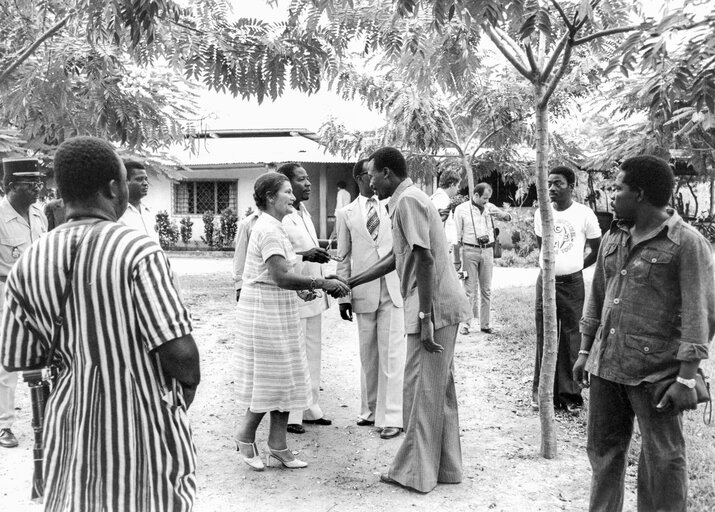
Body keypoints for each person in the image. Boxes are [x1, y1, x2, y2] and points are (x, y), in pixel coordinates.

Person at [0, 136, 201, 510]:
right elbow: (180, 352)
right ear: (113, 187)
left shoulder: (31, 259)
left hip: (70, 425)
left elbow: (21, 359)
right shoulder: (137, 249)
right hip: (142, 424)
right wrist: (180, 396)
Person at [574, 155, 715, 512]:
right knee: (604, 456)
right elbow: (598, 298)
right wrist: (584, 351)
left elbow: (701, 314)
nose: (611, 194)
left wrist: (685, 380)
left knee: (662, 462)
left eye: (617, 188)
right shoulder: (613, 236)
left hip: (657, 374)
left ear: (639, 194)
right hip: (607, 368)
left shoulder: (687, 243)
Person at [348, 147, 471, 493]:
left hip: (433, 307)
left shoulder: (407, 201)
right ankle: (445, 467)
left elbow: (425, 259)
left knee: (420, 390)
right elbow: (395, 257)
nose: (369, 182)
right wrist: (354, 280)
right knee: (438, 389)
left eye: (372, 174)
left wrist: (426, 316)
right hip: (436, 305)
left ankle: (414, 473)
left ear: (387, 173)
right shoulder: (407, 199)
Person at [234, 172, 349, 471]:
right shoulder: (268, 229)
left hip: (279, 308)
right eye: (287, 191)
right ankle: (244, 437)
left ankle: (278, 446)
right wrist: (321, 285)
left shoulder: (277, 226)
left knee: (286, 379)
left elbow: (283, 274)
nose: (293, 196)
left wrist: (306, 289)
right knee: (269, 381)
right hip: (264, 312)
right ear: (270, 197)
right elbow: (280, 276)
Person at [335, 159, 405, 440]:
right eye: (370, 174)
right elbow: (343, 256)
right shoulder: (346, 213)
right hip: (363, 290)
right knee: (368, 354)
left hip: (392, 287)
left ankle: (392, 417)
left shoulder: (393, 205)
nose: (374, 180)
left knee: (392, 353)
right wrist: (343, 296)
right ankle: (370, 410)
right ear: (360, 178)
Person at [531, 166, 601, 415]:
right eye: (549, 183)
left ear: (571, 186)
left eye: (558, 183)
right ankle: (541, 392)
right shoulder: (542, 212)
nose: (551, 188)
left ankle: (570, 395)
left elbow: (597, 247)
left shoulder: (584, 214)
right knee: (544, 335)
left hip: (572, 283)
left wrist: (577, 266)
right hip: (545, 282)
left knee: (571, 336)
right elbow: (542, 248)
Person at [277, 163, 334, 434]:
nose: (308, 183)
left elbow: (307, 248)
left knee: (312, 351)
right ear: (286, 186)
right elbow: (282, 257)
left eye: (308, 179)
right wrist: (306, 255)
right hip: (294, 292)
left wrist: (319, 255)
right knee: (295, 353)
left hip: (313, 292)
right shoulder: (281, 218)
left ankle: (310, 407)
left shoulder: (303, 213)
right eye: (301, 180)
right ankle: (292, 414)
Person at [0, 158, 48, 449]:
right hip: (4, 294)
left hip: (37, 296)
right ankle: (3, 424)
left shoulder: (39, 215)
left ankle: (43, 419)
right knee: (5, 362)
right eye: (29, 184)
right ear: (9, 186)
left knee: (42, 357)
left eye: (37, 183)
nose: (36, 189)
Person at [453, 182, 512, 334]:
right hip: (469, 251)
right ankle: (465, 325)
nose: (487, 201)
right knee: (469, 290)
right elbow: (456, 237)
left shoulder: (490, 207)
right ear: (476, 195)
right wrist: (457, 259)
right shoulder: (461, 209)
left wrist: (506, 215)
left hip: (487, 251)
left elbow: (506, 217)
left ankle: (485, 325)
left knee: (486, 290)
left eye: (488, 198)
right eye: (484, 198)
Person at [118, 157, 158, 242]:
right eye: (139, 179)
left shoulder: (149, 211)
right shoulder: (118, 214)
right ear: (126, 182)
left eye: (146, 179)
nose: (145, 183)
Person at [233, 210, 261, 302]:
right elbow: (240, 255)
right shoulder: (248, 223)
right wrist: (239, 286)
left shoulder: (284, 221)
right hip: (255, 284)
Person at [429, 169, 461, 249]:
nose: (458, 189)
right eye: (457, 186)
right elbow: (437, 225)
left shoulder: (440, 197)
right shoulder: (441, 199)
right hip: (441, 247)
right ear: (452, 185)